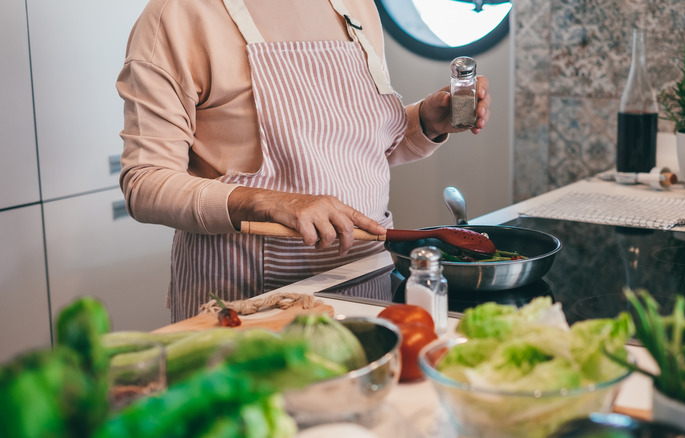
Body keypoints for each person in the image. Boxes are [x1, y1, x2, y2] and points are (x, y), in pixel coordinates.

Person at [117, 0, 491, 322]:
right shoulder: (178, 17)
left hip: (362, 285)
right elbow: (145, 182)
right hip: (248, 300)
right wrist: (272, 202)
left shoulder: (355, 7)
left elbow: (349, 152)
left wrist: (425, 121)